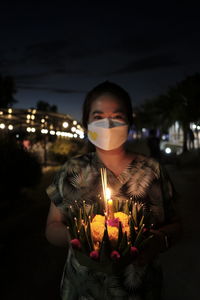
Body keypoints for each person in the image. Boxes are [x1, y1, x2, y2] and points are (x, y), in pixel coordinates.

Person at [45, 81, 181, 300]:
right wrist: (76, 237)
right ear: (86, 123)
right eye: (98, 117)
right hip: (82, 291)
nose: (107, 124)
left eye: (117, 116)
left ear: (129, 121)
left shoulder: (152, 170)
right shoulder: (72, 170)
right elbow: (52, 226)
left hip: (140, 290)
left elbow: (176, 224)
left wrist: (160, 240)